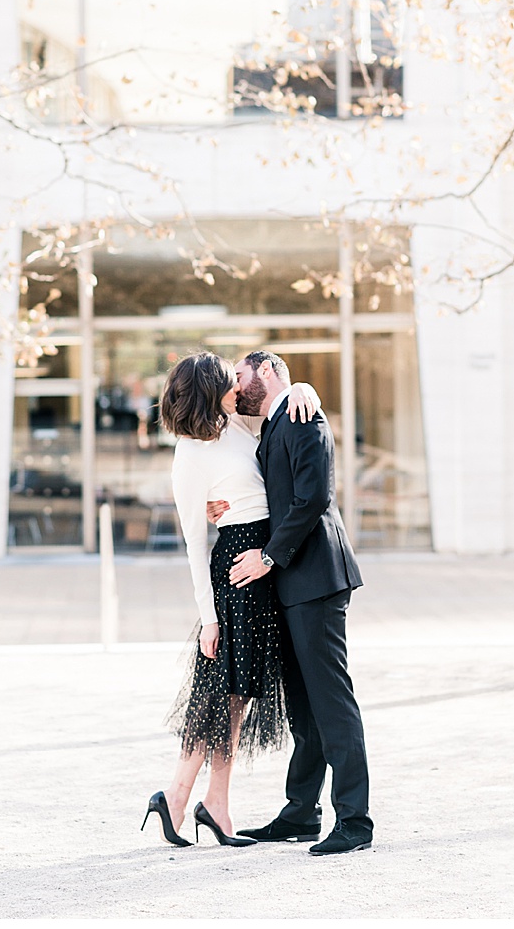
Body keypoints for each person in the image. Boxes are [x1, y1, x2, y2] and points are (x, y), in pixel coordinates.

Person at [141, 352, 320, 848]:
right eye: (228, 379)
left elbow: (282, 400)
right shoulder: (189, 456)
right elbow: (195, 543)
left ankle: (212, 804)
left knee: (235, 695)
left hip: (266, 561)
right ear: (210, 388)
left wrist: (305, 387)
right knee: (220, 691)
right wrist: (208, 618)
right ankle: (179, 796)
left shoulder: (238, 425)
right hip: (238, 570)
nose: (237, 385)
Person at [222, 349, 372, 856]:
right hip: (289, 585)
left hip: (315, 581)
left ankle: (355, 822)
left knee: (332, 705)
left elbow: (313, 498)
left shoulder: (304, 412)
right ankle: (301, 814)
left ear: (268, 371)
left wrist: (267, 556)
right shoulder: (269, 424)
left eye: (240, 375)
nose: (237, 387)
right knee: (303, 713)